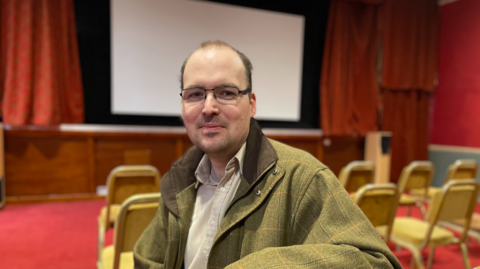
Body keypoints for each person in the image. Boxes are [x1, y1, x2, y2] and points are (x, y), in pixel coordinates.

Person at [134, 40, 402, 269]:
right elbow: (148, 260)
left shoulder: (303, 178)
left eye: (226, 92)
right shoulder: (179, 178)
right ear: (182, 105)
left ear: (251, 104)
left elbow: (376, 261)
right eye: (195, 94)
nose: (208, 107)